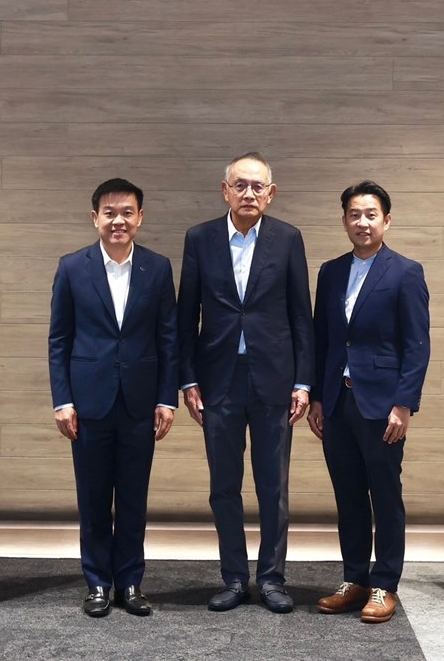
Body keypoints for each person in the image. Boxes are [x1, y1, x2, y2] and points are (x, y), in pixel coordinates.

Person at [177, 152, 313, 613]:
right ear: (225, 190)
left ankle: (272, 578)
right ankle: (234, 577)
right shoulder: (199, 238)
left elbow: (301, 315)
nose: (249, 193)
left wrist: (304, 382)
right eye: (241, 185)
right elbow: (186, 315)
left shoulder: (288, 239)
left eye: (258, 186)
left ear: (270, 194)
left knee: (273, 487)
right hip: (218, 381)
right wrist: (187, 379)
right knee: (223, 486)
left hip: (275, 380)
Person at [48, 178, 179, 618]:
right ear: (95, 218)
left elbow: (168, 338)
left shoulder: (157, 268)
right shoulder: (72, 267)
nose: (118, 220)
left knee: (133, 499)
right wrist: (62, 400)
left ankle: (131, 582)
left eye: (127, 212)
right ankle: (98, 583)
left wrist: (167, 398)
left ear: (140, 217)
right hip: (88, 404)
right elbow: (59, 339)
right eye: (109, 213)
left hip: (140, 402)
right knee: (93, 498)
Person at [307, 180, 430, 624]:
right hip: (337, 403)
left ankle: (385, 584)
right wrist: (317, 397)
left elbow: (417, 345)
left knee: (385, 494)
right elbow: (322, 339)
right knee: (348, 494)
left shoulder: (405, 272)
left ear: (386, 220)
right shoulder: (331, 271)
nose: (362, 222)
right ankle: (355, 579)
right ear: (344, 220)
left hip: (382, 406)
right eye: (354, 215)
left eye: (371, 215)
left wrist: (404, 404)